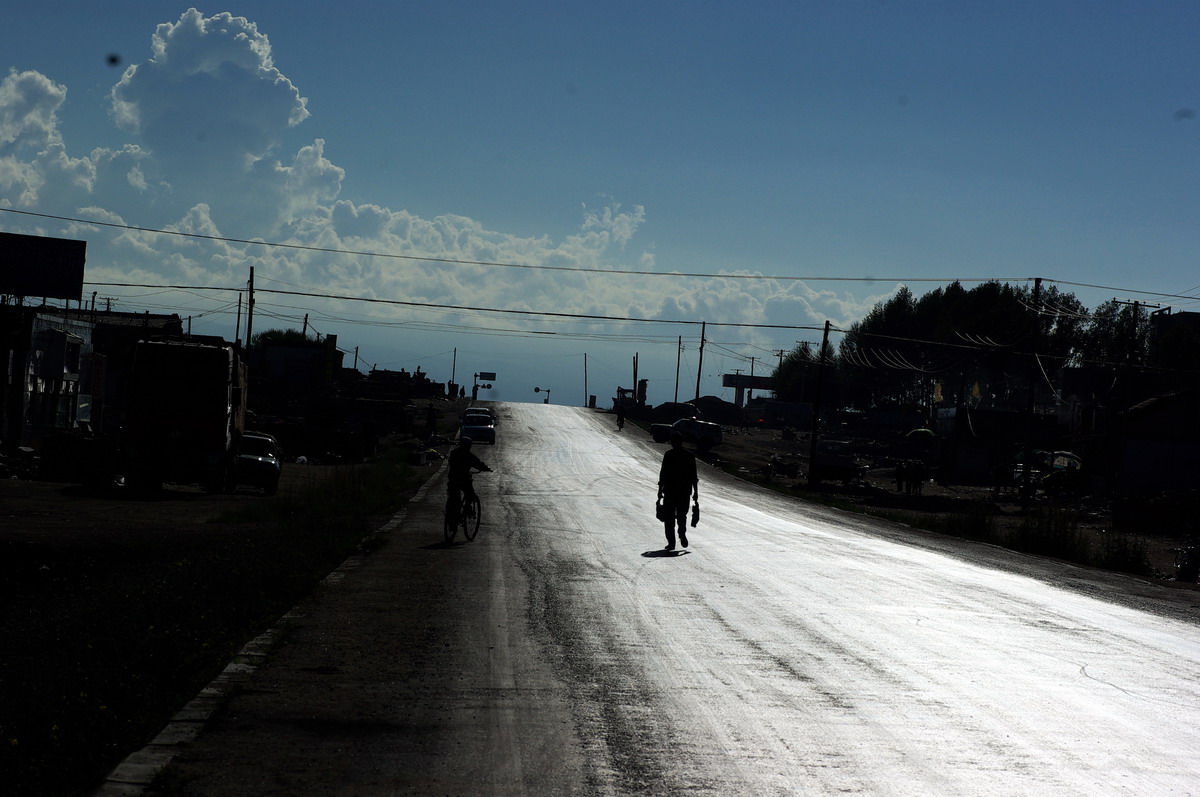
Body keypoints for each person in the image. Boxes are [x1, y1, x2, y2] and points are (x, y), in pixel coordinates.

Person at [657, 430, 698, 550]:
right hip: (684, 491)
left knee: (669, 517)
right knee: (681, 515)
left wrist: (660, 490)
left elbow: (663, 474)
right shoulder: (689, 456)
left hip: (670, 490)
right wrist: (696, 492)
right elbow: (693, 476)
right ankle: (681, 533)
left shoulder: (668, 455)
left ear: (672, 442)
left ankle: (671, 542)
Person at [446, 436, 490, 523]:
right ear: (469, 446)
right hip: (464, 479)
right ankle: (465, 512)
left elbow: (451, 462)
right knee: (470, 496)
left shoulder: (454, 453)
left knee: (453, 496)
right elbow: (478, 464)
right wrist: (485, 468)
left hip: (453, 478)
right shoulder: (469, 456)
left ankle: (452, 514)